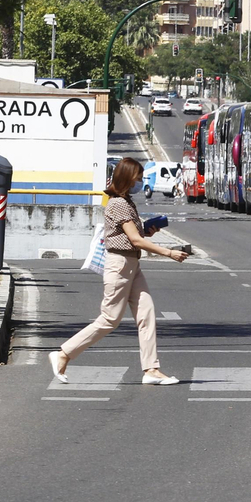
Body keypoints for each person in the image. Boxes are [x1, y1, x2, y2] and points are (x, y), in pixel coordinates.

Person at [50, 157, 188, 385]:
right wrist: (168, 252)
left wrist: (148, 231)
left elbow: (134, 235)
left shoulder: (126, 202)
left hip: (132, 264)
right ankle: (64, 353)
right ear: (126, 178)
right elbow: (134, 239)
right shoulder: (118, 204)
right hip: (120, 265)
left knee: (146, 313)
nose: (140, 183)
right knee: (109, 319)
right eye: (137, 178)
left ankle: (151, 370)